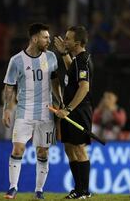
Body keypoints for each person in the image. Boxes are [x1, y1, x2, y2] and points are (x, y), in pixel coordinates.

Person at [2, 23, 62, 199]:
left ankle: (39, 191)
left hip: (46, 113)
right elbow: (9, 87)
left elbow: (55, 82)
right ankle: (13, 187)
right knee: (18, 149)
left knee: (43, 152)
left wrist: (61, 102)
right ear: (35, 39)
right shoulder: (16, 60)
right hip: (24, 112)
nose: (49, 40)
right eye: (45, 37)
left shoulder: (51, 57)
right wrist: (7, 109)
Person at [54, 26, 93, 199]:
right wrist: (63, 53)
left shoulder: (83, 60)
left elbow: (84, 87)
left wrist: (69, 109)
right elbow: (72, 71)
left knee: (79, 149)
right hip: (68, 110)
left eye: (68, 38)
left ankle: (84, 191)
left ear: (77, 43)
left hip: (77, 110)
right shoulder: (77, 60)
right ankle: (77, 189)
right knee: (70, 148)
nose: (65, 40)